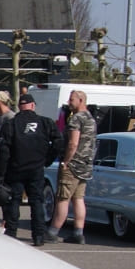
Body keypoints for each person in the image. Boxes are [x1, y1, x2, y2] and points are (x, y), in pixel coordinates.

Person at [0, 93, 60, 245]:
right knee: (36, 201)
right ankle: (38, 236)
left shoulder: (12, 124)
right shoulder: (45, 123)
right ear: (33, 106)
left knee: (14, 201)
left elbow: (4, 151)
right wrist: (47, 160)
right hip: (36, 169)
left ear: (19, 107)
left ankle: (11, 233)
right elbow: (58, 143)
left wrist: (0, 175)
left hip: (15, 168)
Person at [47, 89, 95, 244]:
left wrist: (66, 161)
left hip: (73, 165)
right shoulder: (91, 119)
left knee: (63, 198)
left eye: (72, 99)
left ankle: (53, 231)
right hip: (85, 165)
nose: (69, 102)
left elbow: (73, 143)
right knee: (78, 198)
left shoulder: (76, 119)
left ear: (81, 100)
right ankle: (78, 233)